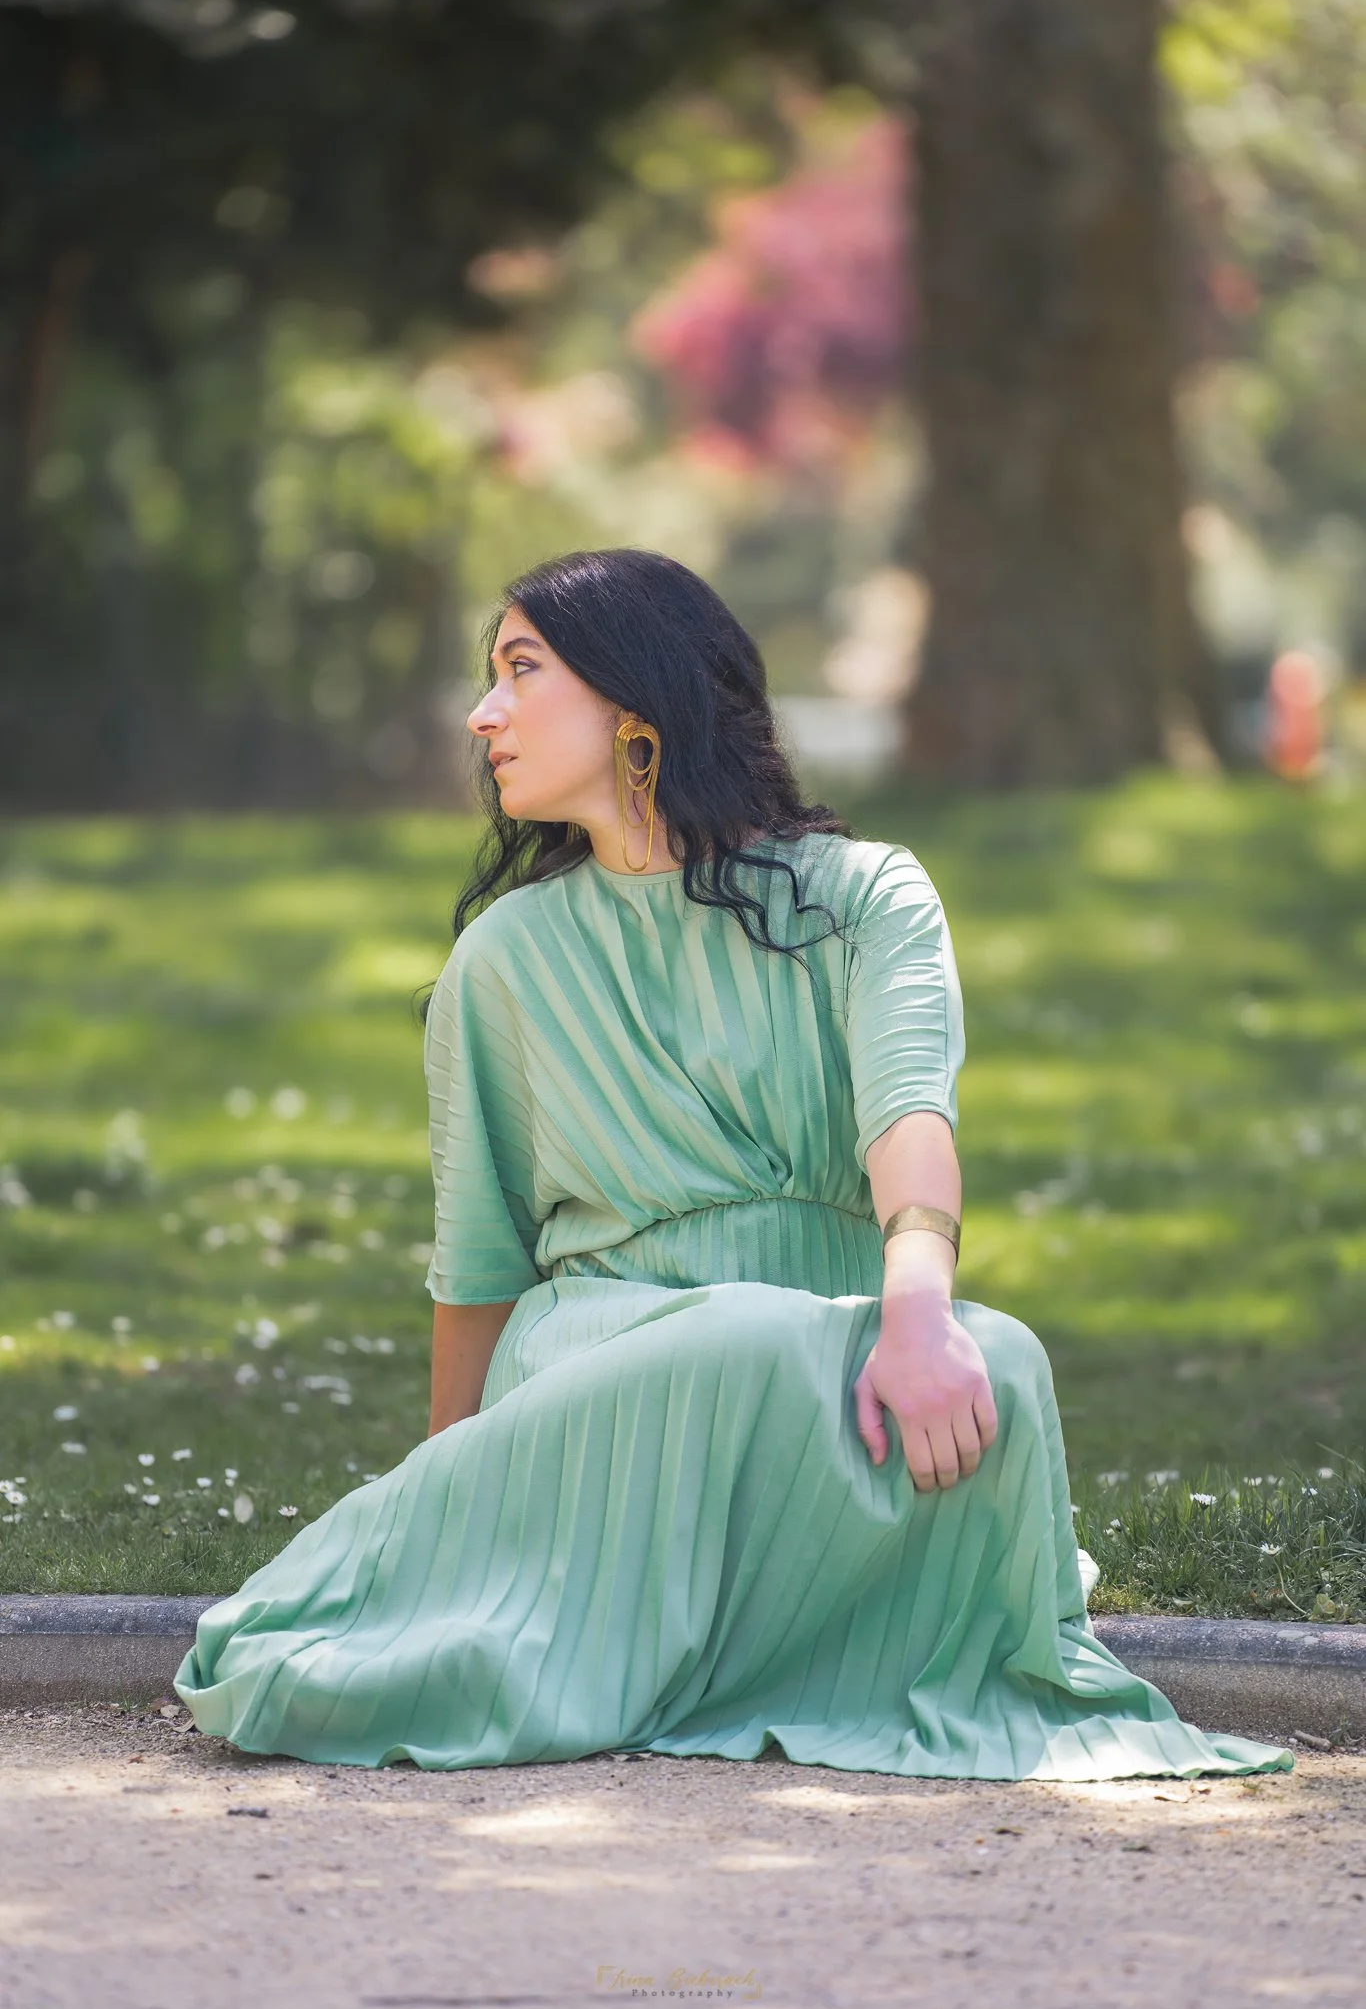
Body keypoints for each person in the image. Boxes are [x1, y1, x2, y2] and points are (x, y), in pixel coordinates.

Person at [175, 548, 1292, 1782]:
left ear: (636, 704)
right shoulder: (502, 959)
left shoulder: (867, 896)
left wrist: (918, 1310)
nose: (485, 713)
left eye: (520, 670)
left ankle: (782, 1632)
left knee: (1004, 1364)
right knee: (739, 1333)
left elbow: (909, 1113)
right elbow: (479, 1259)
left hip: (834, 1346)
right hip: (611, 1352)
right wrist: (443, 1497)